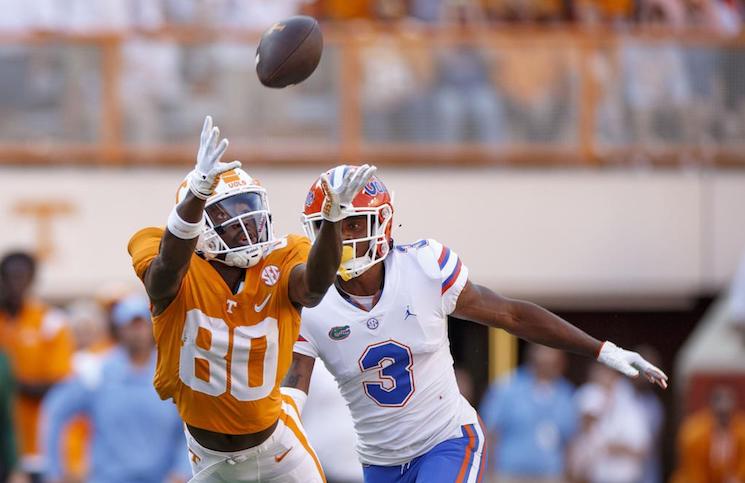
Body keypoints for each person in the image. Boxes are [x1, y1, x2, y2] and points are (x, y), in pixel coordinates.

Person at [283, 165, 668, 483]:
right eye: (331, 227)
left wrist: (602, 349)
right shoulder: (310, 305)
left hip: (446, 440)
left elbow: (511, 315)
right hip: (379, 462)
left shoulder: (424, 269)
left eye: (353, 224)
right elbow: (290, 393)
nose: (342, 238)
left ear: (382, 223)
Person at [127, 116, 376, 482]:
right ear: (201, 227)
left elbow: (314, 287)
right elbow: (163, 278)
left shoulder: (283, 256)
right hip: (209, 460)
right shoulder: (170, 258)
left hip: (278, 449)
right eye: (232, 214)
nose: (249, 221)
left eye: (250, 208)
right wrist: (197, 192)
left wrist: (332, 221)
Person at [41, 294, 190, 483]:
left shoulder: (172, 373)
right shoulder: (97, 372)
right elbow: (55, 411)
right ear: (119, 330)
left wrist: (182, 470)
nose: (137, 332)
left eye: (141, 324)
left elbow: (189, 429)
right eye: (130, 325)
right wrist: (55, 471)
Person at [0, 252, 73, 482]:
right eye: (9, 277)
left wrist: (9, 383)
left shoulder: (50, 321)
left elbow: (58, 384)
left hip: (36, 440)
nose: (15, 284)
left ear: (32, 280)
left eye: (21, 277)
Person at [480, 345, 577, 483]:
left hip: (551, 475)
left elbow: (570, 441)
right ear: (532, 355)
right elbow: (490, 433)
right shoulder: (507, 386)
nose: (548, 360)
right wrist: (490, 473)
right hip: (509, 474)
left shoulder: (566, 393)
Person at [672, 385, 745, 483]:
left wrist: (737, 478)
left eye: (727, 415)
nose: (723, 421)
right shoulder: (694, 432)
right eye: (720, 415)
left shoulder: (741, 430)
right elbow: (694, 471)